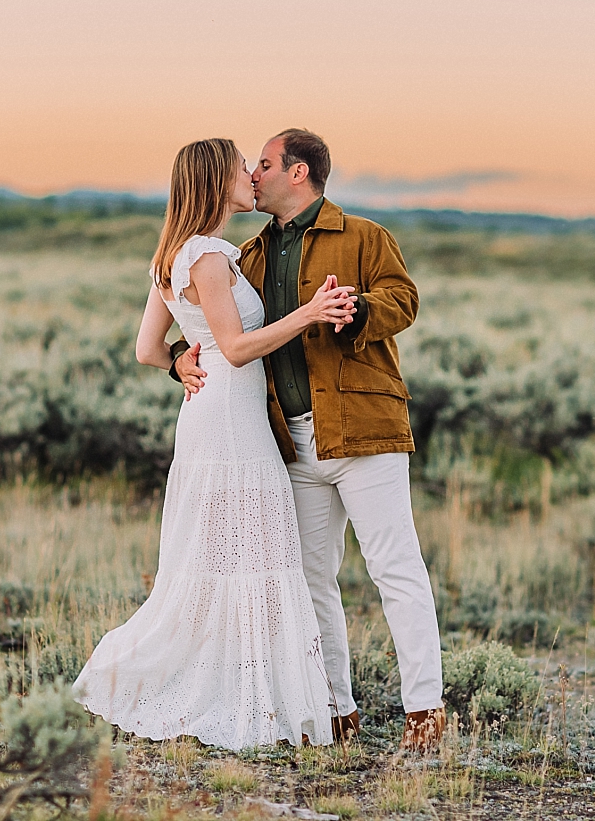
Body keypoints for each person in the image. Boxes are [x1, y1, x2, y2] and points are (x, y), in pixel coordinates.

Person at [73, 137, 359, 749]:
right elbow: (234, 348)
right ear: (214, 181)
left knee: (218, 557)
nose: (250, 175)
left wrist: (180, 362)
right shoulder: (205, 257)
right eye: (239, 167)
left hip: (208, 422)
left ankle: (234, 682)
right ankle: (243, 694)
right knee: (249, 555)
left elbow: (148, 349)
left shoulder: (175, 254)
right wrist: (309, 314)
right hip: (232, 428)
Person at [171, 128, 447, 752]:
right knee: (311, 580)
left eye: (264, 164)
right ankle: (335, 711)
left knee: (396, 570)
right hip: (289, 444)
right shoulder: (251, 254)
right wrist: (175, 360)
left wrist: (359, 312)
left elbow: (405, 299)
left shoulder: (364, 237)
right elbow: (215, 325)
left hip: (364, 435)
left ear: (298, 173)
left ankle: (425, 712)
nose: (253, 173)